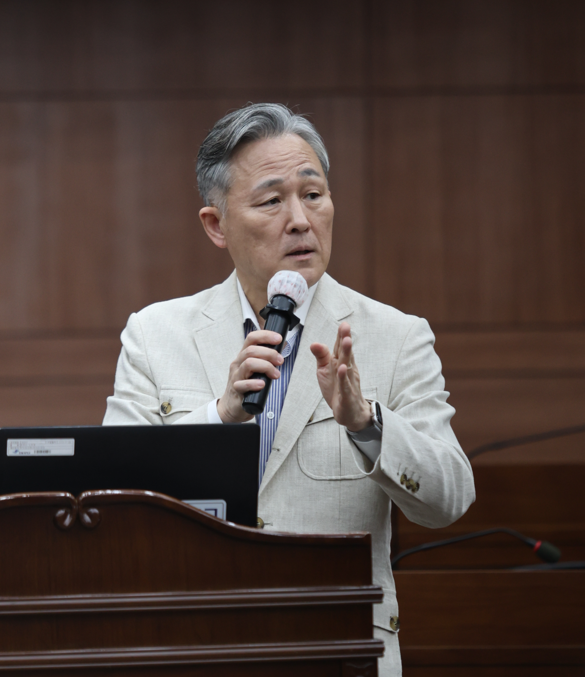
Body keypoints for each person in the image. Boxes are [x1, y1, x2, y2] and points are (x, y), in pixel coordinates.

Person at [103, 103, 475, 675]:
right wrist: (218, 418)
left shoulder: (396, 337)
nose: (300, 219)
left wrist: (367, 424)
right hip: (195, 646)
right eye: (272, 201)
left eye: (313, 194)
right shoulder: (156, 335)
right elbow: (110, 497)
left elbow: (448, 501)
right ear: (217, 225)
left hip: (340, 647)